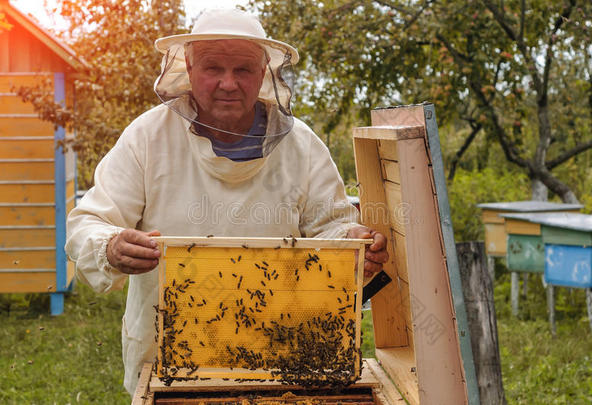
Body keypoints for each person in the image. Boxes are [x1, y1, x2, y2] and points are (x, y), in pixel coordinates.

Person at [66, 8, 388, 396]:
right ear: (187, 65)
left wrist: (353, 243)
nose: (228, 83)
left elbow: (330, 226)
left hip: (282, 356)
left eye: (244, 70)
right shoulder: (148, 137)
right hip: (167, 356)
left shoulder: (301, 146)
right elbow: (88, 223)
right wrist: (111, 245)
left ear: (264, 71)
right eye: (213, 67)